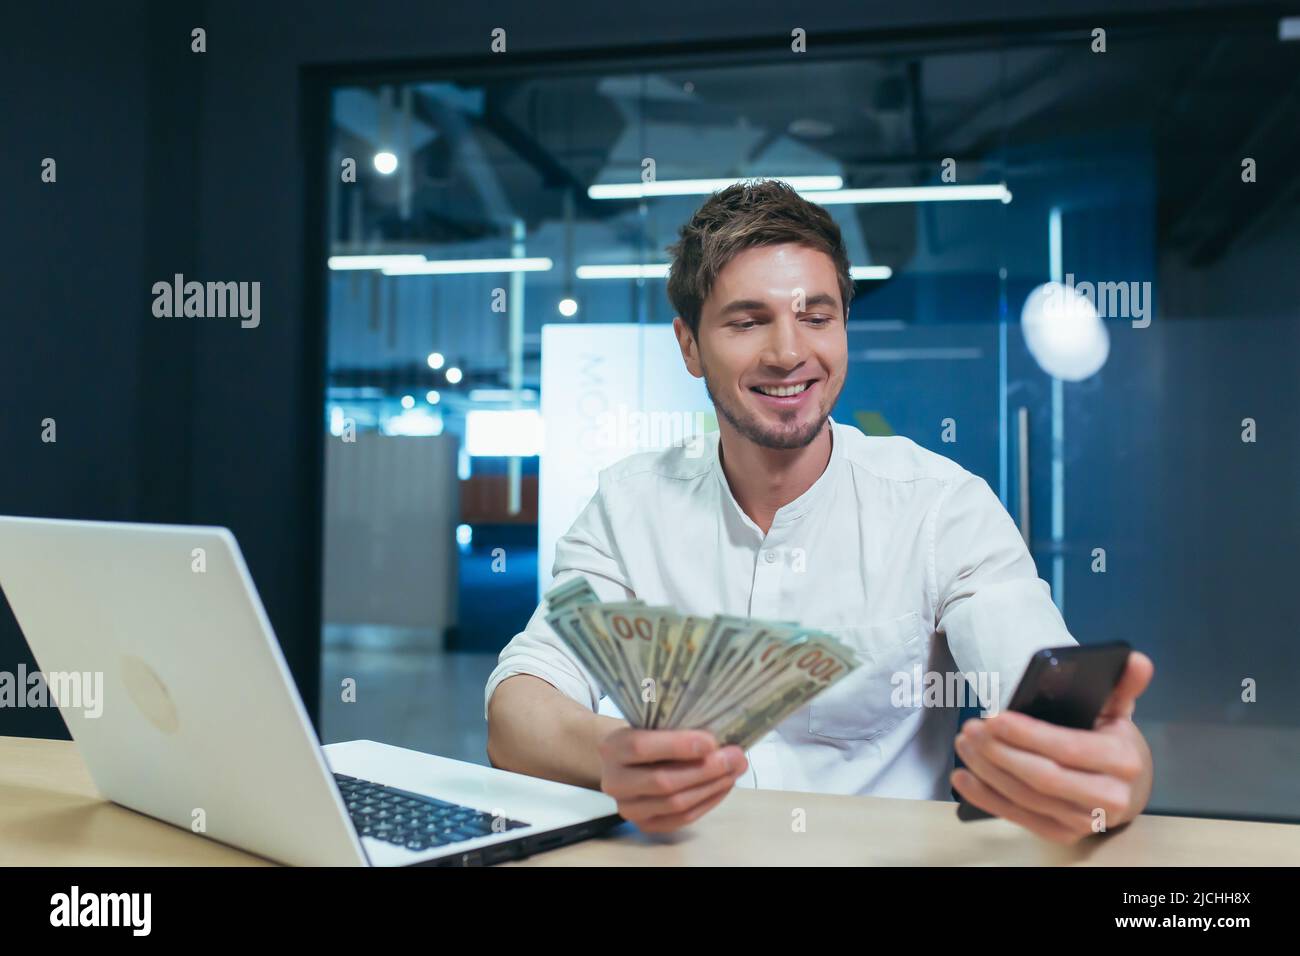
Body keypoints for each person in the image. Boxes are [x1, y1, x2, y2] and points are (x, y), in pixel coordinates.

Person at [485, 178, 1154, 842]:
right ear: (689, 346)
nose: (788, 353)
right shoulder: (628, 507)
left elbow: (1062, 711)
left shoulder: (941, 507)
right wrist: (612, 755)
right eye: (748, 321)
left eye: (816, 317)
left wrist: (1113, 772)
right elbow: (519, 706)